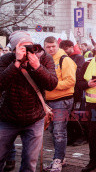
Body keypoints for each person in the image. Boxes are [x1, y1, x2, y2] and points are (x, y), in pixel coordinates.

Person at [0, 31, 58, 172]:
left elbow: (52, 84)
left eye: (30, 46)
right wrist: (17, 63)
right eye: (22, 47)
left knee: (30, 163)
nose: (27, 51)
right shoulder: (6, 60)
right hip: (8, 118)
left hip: (34, 119)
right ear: (14, 49)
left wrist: (38, 67)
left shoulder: (44, 58)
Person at [43, 37, 77, 172]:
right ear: (44, 47)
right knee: (53, 131)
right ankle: (61, 158)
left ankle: (57, 160)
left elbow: (70, 81)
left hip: (62, 100)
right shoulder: (45, 60)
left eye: (53, 46)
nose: (51, 49)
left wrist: (52, 86)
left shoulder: (65, 60)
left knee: (58, 132)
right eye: (48, 47)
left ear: (57, 46)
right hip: (49, 101)